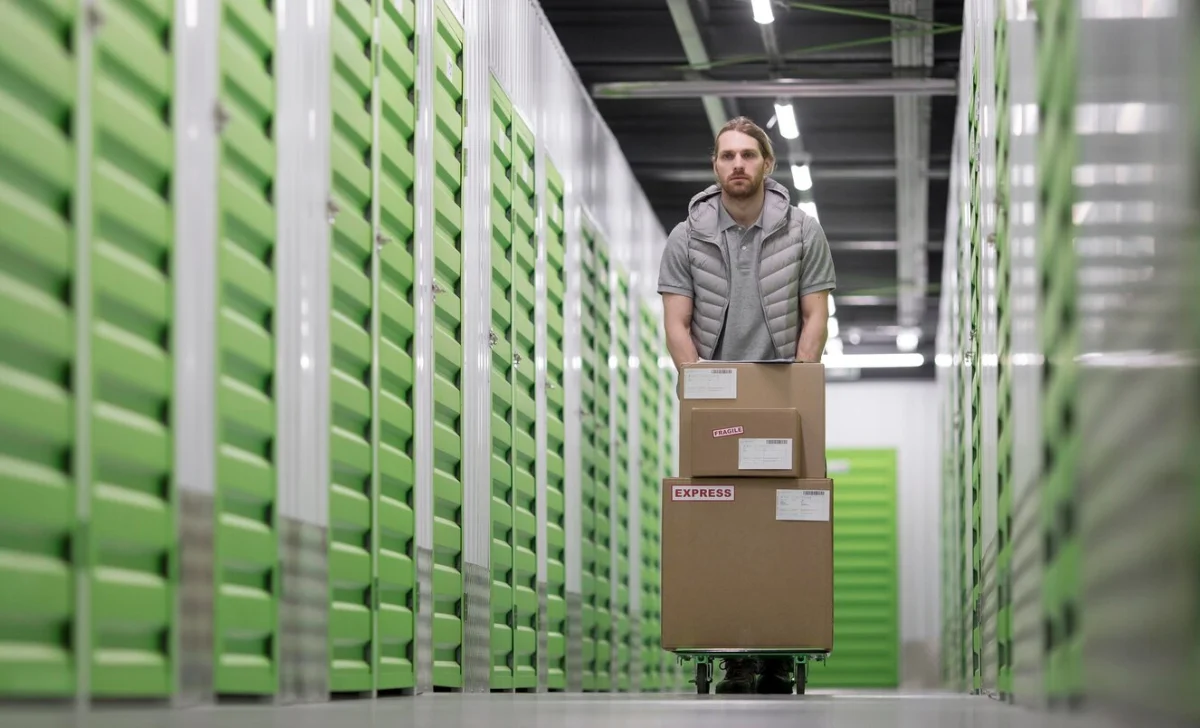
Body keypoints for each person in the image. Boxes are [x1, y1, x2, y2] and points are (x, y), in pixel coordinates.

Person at [656, 116, 837, 694]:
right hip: (715, 395)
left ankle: (778, 650)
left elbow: (815, 315)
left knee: (787, 521)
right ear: (715, 165)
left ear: (767, 164)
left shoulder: (803, 231)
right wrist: (699, 384)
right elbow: (677, 324)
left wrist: (800, 381)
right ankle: (736, 652)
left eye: (748, 155)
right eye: (727, 155)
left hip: (783, 386)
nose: (738, 164)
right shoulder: (685, 238)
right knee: (720, 524)